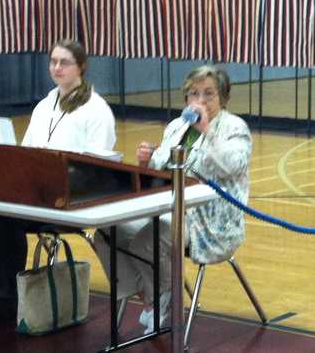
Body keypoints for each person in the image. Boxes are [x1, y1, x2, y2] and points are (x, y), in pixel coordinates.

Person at [0, 39, 116, 324]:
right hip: (35, 192)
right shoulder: (46, 104)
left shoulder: (97, 110)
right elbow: (26, 151)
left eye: (64, 62)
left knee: (8, 220)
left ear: (81, 66)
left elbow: (98, 169)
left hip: (71, 199)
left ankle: (10, 298)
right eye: (53, 61)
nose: (57, 68)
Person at [93, 65, 252, 333]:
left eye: (208, 94)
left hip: (210, 223)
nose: (200, 101)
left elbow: (232, 165)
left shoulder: (235, 127)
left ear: (222, 98)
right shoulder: (177, 126)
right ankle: (149, 298)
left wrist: (207, 132)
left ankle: (164, 301)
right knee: (108, 232)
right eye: (194, 93)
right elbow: (160, 167)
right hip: (167, 208)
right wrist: (148, 159)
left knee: (151, 239)